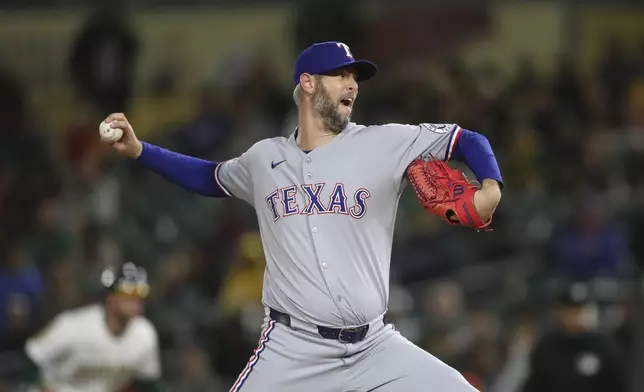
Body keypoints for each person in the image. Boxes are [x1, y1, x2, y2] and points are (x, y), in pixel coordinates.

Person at [102, 41, 503, 391]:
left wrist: (490, 188)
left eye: (355, 78)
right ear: (308, 83)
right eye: (340, 75)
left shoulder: (386, 142)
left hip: (374, 345)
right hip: (294, 349)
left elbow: (467, 140)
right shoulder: (264, 158)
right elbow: (209, 177)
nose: (352, 84)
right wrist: (142, 151)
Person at [22, 262, 162, 392]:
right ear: (110, 296)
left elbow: (148, 383)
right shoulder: (73, 325)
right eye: (129, 292)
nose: (136, 300)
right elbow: (31, 358)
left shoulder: (144, 333)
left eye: (140, 293)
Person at [521, 282, 628, 392]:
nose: (575, 315)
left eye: (579, 309)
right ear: (559, 311)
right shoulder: (547, 345)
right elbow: (534, 384)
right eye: (570, 309)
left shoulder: (603, 346)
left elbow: (618, 384)